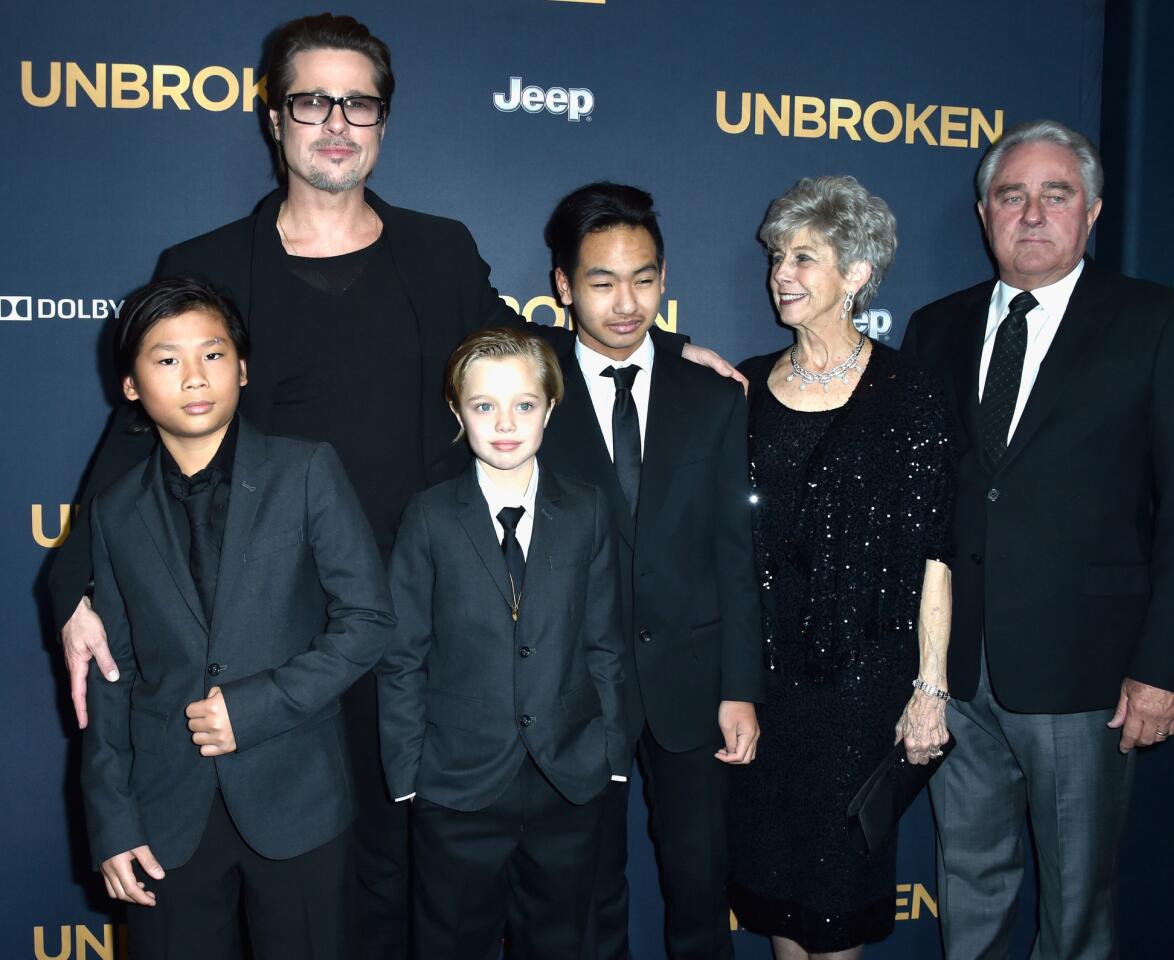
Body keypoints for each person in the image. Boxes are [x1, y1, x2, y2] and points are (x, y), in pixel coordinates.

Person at [45, 14, 735, 955]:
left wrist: (654, 351)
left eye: (358, 101)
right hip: (270, 646)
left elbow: (528, 360)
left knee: (392, 889)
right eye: (312, 100)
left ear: (382, 119)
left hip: (415, 627)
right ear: (272, 119)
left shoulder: (437, 251)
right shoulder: (202, 267)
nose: (336, 120)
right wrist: (78, 586)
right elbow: (129, 447)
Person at [900, 119, 1174, 959]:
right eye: (1012, 195)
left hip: (1089, 676)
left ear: (1092, 211)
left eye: (1056, 195)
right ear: (983, 213)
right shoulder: (935, 327)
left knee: (1077, 908)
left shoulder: (1159, 323)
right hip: (956, 675)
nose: (1032, 213)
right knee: (966, 878)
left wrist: (1162, 670)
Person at [82, 277, 395, 960]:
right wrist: (110, 821)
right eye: (166, 360)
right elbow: (111, 671)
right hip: (164, 814)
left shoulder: (306, 471)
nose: (195, 377)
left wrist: (255, 708)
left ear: (243, 367)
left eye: (214, 354)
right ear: (130, 386)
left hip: (299, 799)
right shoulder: (114, 511)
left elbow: (367, 618)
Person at [727, 175, 955, 960]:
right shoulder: (745, 386)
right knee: (781, 906)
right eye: (775, 258)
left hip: (859, 688)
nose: (779, 275)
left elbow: (934, 552)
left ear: (856, 274)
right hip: (759, 682)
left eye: (803, 258)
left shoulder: (908, 392)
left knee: (832, 906)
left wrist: (929, 687)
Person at [537, 182, 765, 960]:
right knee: (582, 896)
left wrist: (740, 687)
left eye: (643, 278)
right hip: (572, 689)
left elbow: (737, 555)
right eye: (601, 281)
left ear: (664, 278)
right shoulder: (525, 395)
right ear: (563, 286)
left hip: (693, 684)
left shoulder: (713, 396)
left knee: (700, 889)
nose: (626, 302)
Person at [376, 327, 628, 959]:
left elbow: (605, 642)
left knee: (563, 946)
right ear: (458, 413)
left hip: (567, 782)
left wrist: (610, 754)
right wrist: (408, 775)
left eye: (524, 404)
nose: (505, 422)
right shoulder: (430, 516)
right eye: (484, 405)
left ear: (549, 409)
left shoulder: (589, 511)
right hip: (455, 788)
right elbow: (403, 655)